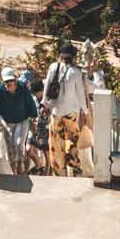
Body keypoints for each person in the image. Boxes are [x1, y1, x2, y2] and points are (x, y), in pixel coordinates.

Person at [40, 43, 93, 177]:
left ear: (60, 56)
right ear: (73, 57)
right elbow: (81, 95)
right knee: (72, 143)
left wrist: (44, 104)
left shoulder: (53, 67)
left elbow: (47, 88)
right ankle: (74, 170)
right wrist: (86, 112)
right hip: (71, 114)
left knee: (56, 145)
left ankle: (59, 174)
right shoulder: (76, 72)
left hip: (56, 113)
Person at [0, 66, 37, 175]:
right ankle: (14, 173)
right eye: (5, 81)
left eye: (10, 81)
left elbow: (30, 104)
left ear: (15, 80)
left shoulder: (22, 87)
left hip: (22, 120)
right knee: (10, 146)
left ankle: (20, 166)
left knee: (19, 144)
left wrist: (34, 120)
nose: (8, 84)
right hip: (7, 121)